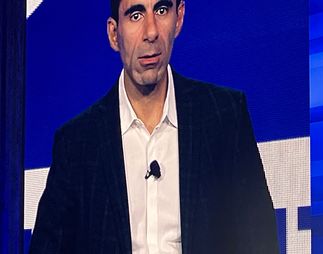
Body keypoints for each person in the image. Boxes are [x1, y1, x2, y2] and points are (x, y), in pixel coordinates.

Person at [29, 0, 279, 253]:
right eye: (135, 15)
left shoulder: (224, 117)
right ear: (114, 34)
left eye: (161, 11)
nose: (151, 32)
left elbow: (259, 240)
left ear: (178, 17)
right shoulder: (77, 143)